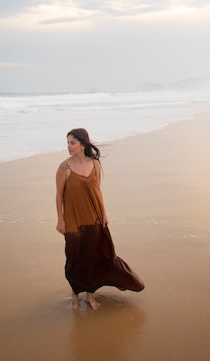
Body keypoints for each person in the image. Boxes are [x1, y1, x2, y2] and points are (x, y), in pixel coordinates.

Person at [56, 128, 145, 309]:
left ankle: (90, 295)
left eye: (72, 143)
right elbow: (59, 195)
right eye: (67, 143)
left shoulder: (95, 164)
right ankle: (75, 294)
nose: (69, 147)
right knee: (74, 257)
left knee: (94, 256)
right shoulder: (64, 167)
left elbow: (97, 190)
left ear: (83, 144)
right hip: (74, 221)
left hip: (94, 218)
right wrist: (60, 220)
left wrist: (103, 213)